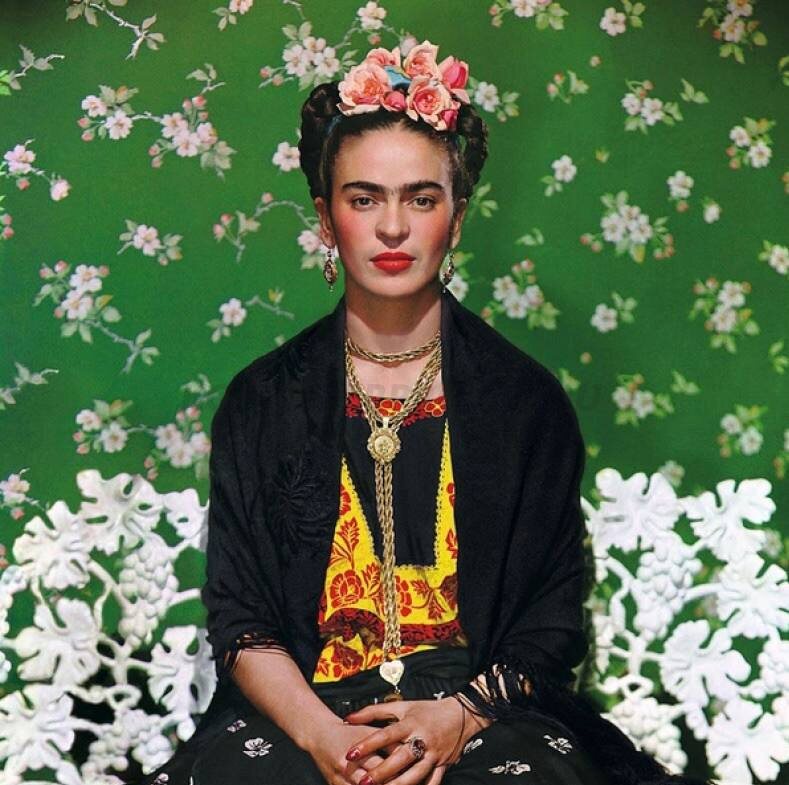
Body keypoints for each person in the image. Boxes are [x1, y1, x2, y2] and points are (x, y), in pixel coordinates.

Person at [132, 40, 710, 785]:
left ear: (456, 219)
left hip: (480, 715)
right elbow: (242, 621)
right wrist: (325, 739)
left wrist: (456, 717)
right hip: (303, 716)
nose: (393, 228)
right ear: (325, 218)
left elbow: (549, 621)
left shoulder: (524, 402)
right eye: (363, 198)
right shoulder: (262, 401)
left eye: (421, 199)